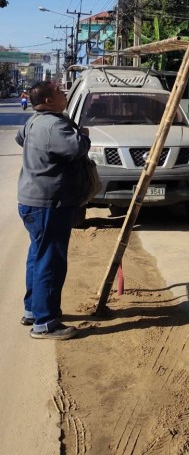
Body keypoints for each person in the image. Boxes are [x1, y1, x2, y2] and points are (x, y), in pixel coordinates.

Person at [16, 80, 91, 340]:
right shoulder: (54, 125)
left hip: (33, 200)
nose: (64, 92)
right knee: (50, 261)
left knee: (38, 256)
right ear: (48, 100)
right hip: (49, 203)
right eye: (59, 91)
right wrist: (84, 135)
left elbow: (19, 139)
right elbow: (77, 148)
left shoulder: (34, 121)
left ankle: (32, 310)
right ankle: (46, 323)